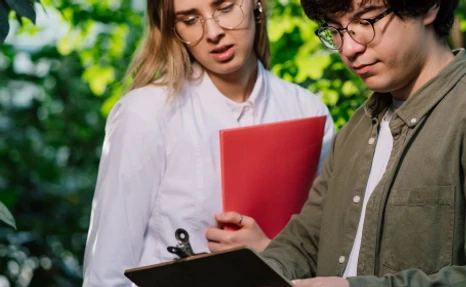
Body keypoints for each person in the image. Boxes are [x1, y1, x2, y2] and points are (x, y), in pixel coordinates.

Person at [252, 0, 466, 286]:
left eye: (368, 20)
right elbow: (305, 240)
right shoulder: (354, 132)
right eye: (335, 30)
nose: (348, 48)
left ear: (428, 7)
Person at [81, 0, 334, 285]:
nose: (212, 31)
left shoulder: (308, 111)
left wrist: (269, 249)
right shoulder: (145, 113)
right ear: (172, 29)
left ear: (256, 4)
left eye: (225, 7)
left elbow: (326, 253)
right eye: (190, 20)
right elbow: (106, 272)